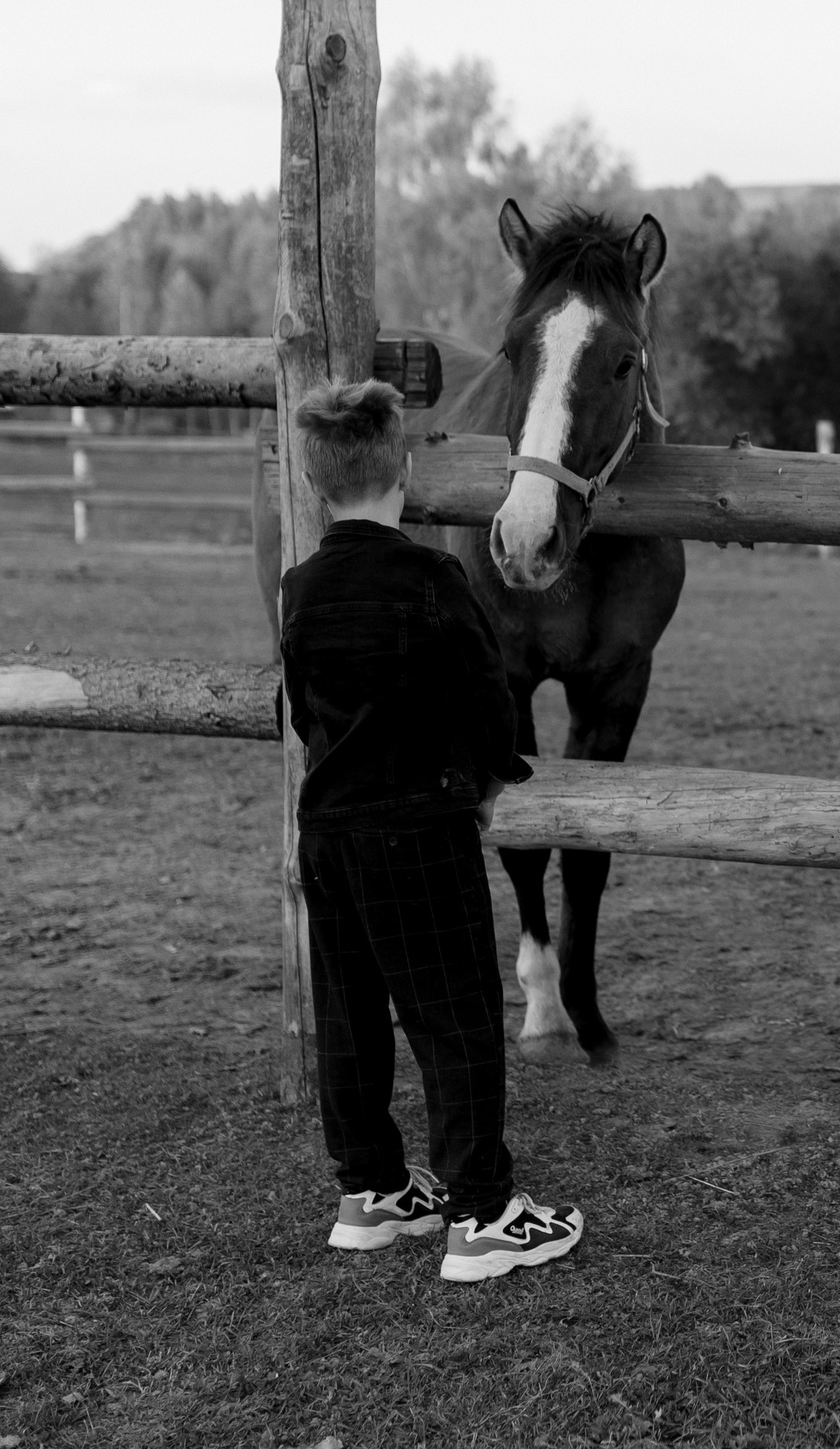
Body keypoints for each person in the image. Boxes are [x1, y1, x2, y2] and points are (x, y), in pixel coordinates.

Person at [278, 378, 580, 1284]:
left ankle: (370, 1191)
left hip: (328, 833)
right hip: (419, 830)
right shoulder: (432, 578)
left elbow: (302, 707)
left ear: (311, 480)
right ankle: (483, 1214)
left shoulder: (300, 586)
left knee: (351, 1015)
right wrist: (492, 776)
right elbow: (488, 697)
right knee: (453, 1019)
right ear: (405, 470)